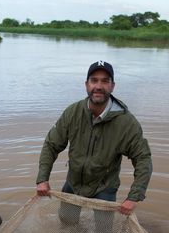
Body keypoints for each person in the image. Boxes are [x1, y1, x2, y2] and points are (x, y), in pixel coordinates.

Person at [36, 60, 152, 216]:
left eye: (105, 81)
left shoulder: (127, 123)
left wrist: (134, 197)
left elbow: (143, 159)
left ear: (112, 86)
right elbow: (51, 145)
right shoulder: (73, 112)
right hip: (74, 183)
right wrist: (42, 178)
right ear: (86, 84)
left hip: (104, 187)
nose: (98, 86)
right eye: (94, 80)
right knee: (66, 222)